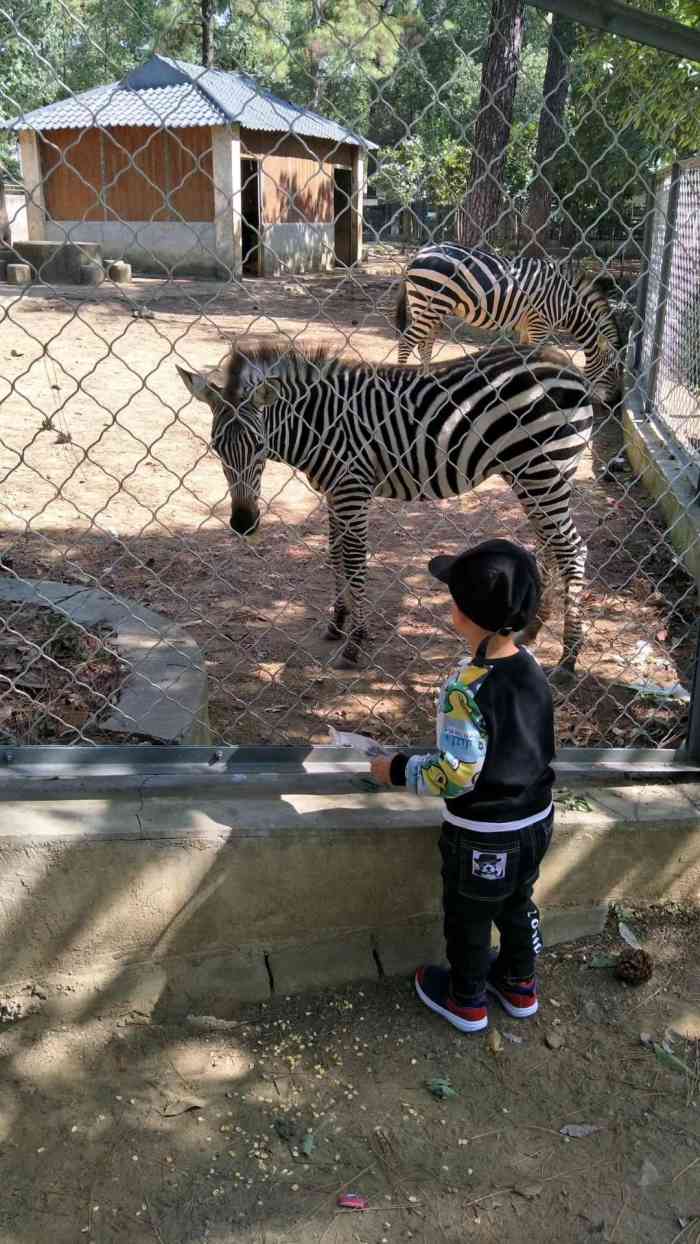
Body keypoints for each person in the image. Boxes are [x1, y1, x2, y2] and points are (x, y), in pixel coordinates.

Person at [370, 538, 555, 1033]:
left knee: (470, 913)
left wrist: (398, 769)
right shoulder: (532, 667)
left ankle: (466, 997)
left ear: (464, 614)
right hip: (537, 819)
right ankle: (519, 984)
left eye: (453, 598)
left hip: (482, 832)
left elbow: (457, 773)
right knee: (518, 900)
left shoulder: (464, 689)